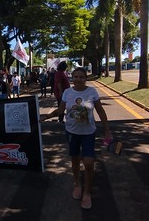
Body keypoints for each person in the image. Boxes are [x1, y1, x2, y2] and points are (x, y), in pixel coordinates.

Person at [40, 67, 111, 210]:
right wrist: (46, 116)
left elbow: (101, 111)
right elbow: (60, 111)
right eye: (76, 77)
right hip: (71, 132)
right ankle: (78, 184)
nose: (78, 79)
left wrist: (107, 131)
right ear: (72, 78)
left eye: (81, 77)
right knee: (75, 160)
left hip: (88, 133)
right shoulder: (67, 93)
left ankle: (87, 192)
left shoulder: (92, 92)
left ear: (86, 78)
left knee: (89, 162)